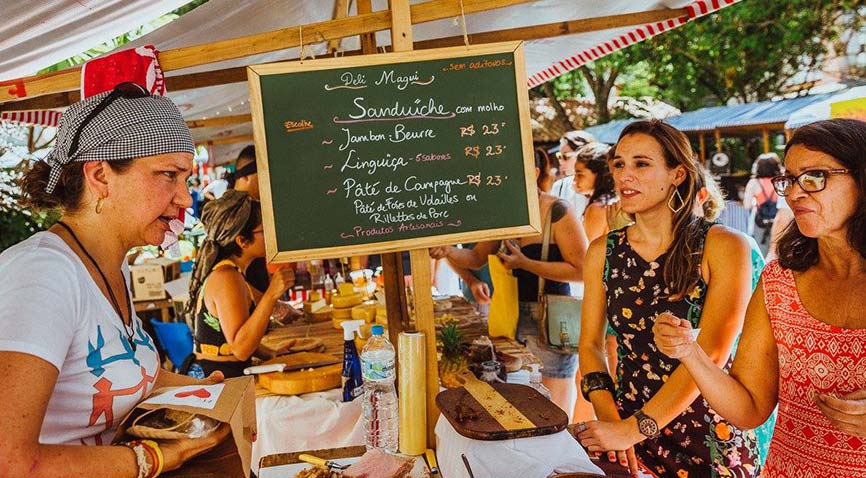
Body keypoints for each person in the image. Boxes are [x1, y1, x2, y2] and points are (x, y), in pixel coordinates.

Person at [0, 82, 228, 477]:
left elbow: (115, 370)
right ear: (101, 175)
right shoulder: (42, 276)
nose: (185, 199)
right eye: (168, 175)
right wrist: (154, 458)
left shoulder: (111, 265)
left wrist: (206, 392)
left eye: (185, 178)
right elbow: (9, 461)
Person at [654, 119, 866, 477]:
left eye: (815, 177)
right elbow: (749, 408)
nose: (796, 193)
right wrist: (689, 352)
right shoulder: (779, 281)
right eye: (790, 179)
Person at [576, 120, 759, 477]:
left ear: (677, 174)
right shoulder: (604, 251)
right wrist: (611, 418)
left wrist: (634, 428)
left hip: (708, 438)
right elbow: (589, 346)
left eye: (641, 164)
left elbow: (714, 353)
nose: (625, 174)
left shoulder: (723, 246)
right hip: (629, 435)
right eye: (618, 164)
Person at [431, 145, 588, 416]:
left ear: (535, 172)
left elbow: (582, 270)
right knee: (520, 402)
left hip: (551, 319)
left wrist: (526, 264)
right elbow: (477, 257)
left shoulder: (557, 210)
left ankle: (558, 457)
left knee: (554, 406)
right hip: (512, 318)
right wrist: (449, 251)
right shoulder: (505, 212)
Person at [186, 190, 294, 378]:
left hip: (227, 373)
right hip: (216, 380)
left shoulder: (232, 272)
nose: (272, 235)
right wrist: (271, 294)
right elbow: (240, 348)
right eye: (264, 230)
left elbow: (235, 332)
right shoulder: (227, 277)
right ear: (242, 241)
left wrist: (268, 353)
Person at [573, 142, 632, 242]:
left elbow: (590, 250)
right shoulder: (617, 199)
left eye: (580, 175)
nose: (575, 180)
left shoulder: (598, 208)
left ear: (598, 174)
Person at [551, 131, 595, 216]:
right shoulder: (559, 187)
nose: (561, 162)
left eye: (566, 157)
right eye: (559, 156)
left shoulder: (603, 186)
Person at [743, 152, 782, 238]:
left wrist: (755, 202)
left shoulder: (753, 183)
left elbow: (747, 205)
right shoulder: (781, 182)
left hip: (760, 222)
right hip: (779, 222)